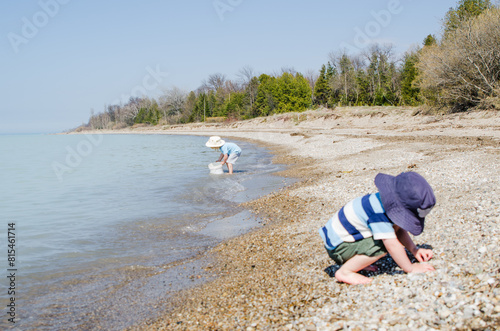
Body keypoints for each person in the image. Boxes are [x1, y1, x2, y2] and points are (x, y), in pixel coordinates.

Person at [319, 171, 436, 285]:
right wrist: (410, 268)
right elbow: (392, 245)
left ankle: (358, 261)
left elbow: (399, 229)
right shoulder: (378, 213)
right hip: (339, 247)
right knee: (382, 246)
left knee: (390, 232)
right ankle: (345, 272)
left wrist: (414, 249)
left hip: (342, 239)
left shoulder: (384, 201)